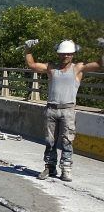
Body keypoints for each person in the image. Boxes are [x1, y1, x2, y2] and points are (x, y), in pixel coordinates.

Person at [24, 38, 104, 181]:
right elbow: (32, 65)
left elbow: (99, 64)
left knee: (67, 141)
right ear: (58, 54)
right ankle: (49, 167)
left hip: (68, 110)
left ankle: (66, 169)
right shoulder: (51, 68)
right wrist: (28, 50)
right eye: (63, 53)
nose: (65, 56)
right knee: (50, 141)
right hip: (52, 109)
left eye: (68, 53)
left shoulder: (77, 68)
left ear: (73, 54)